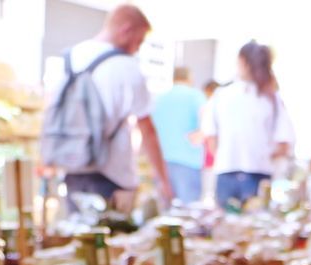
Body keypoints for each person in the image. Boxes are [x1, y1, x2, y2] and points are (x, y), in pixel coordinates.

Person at [55, 4, 172, 207]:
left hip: (72, 168)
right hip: (112, 176)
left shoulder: (69, 57)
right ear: (126, 30)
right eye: (140, 41)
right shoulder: (128, 66)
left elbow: (52, 109)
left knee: (79, 234)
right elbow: (147, 129)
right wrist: (163, 180)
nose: (138, 48)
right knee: (113, 235)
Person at [203, 41, 294, 210]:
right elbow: (284, 145)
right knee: (254, 228)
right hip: (258, 174)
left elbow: (211, 139)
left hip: (228, 172)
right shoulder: (271, 99)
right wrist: (261, 154)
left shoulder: (222, 96)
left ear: (243, 62)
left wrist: (227, 154)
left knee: (225, 228)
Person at [150, 67, 205, 204]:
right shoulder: (195, 96)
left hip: (161, 161)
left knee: (163, 212)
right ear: (189, 78)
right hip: (188, 161)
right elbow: (206, 124)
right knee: (188, 211)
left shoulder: (159, 98)